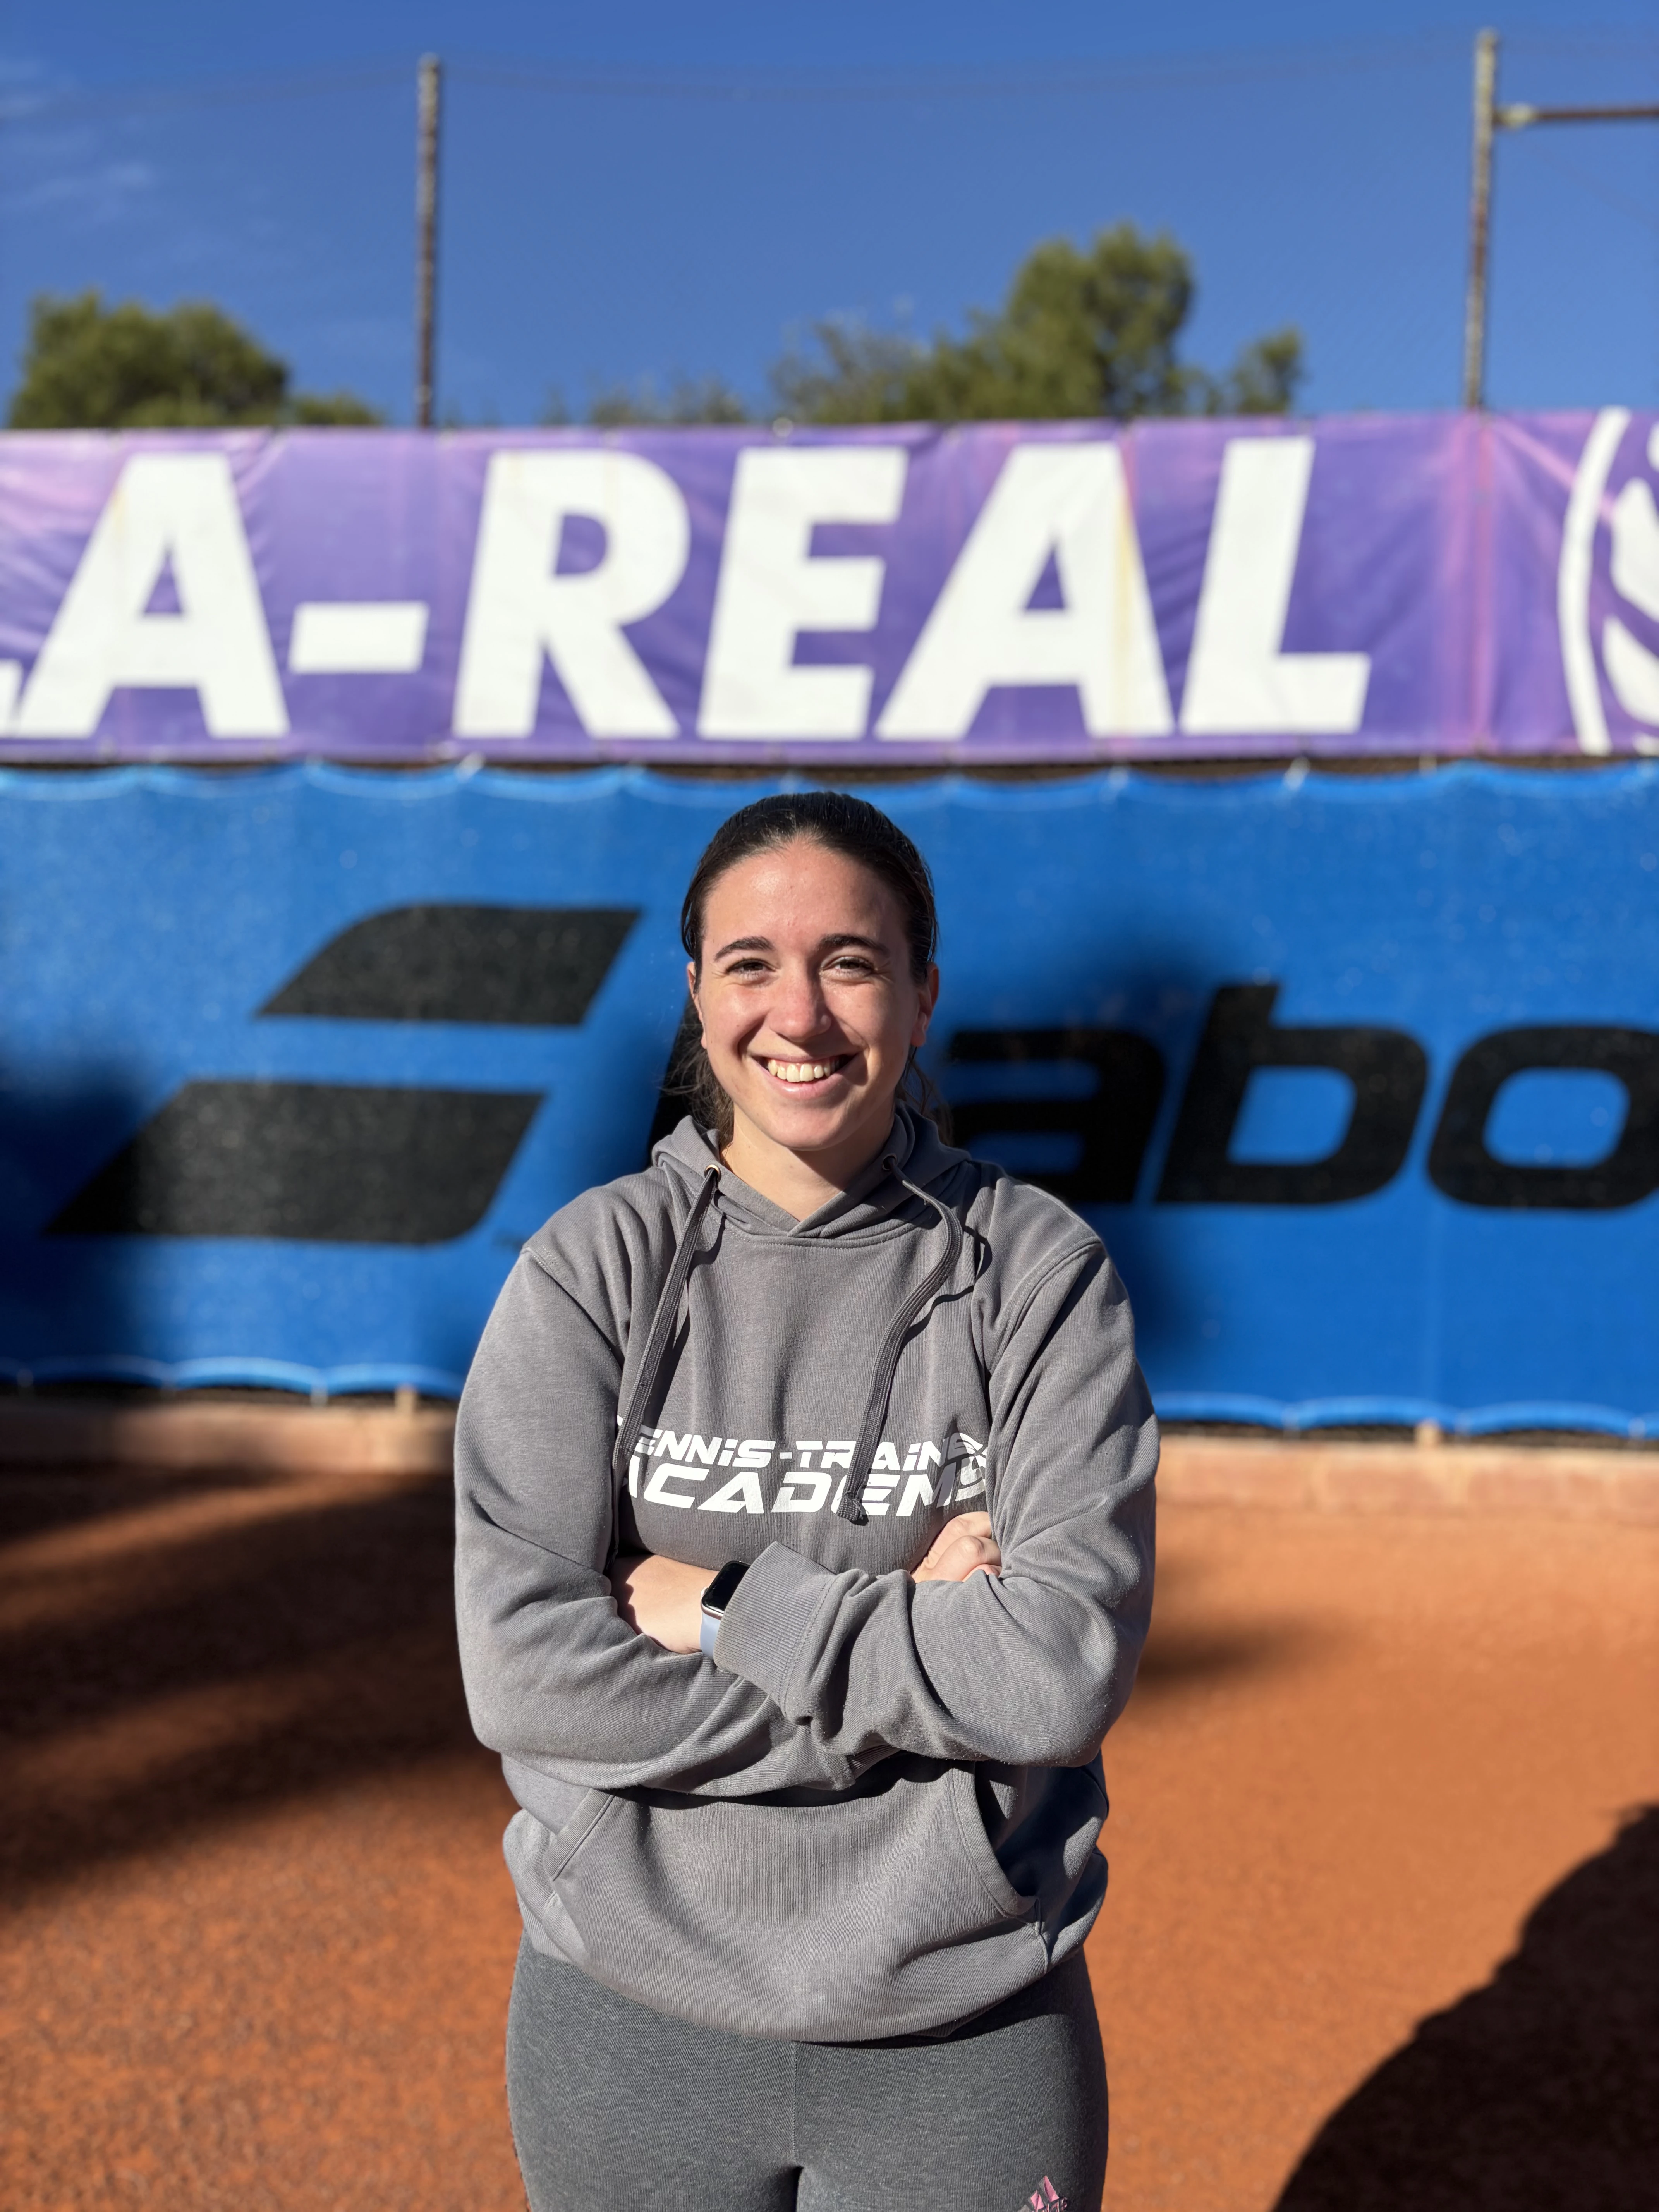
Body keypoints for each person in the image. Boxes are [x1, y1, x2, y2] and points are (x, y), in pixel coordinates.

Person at [454, 790, 1157, 2212]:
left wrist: (721, 1608)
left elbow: (1052, 1678)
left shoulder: (1035, 1274)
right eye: (751, 964)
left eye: (849, 961)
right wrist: (912, 1690)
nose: (803, 1014)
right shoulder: (591, 1269)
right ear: (697, 991)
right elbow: (522, 1674)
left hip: (960, 2021)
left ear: (920, 988)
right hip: (631, 2014)